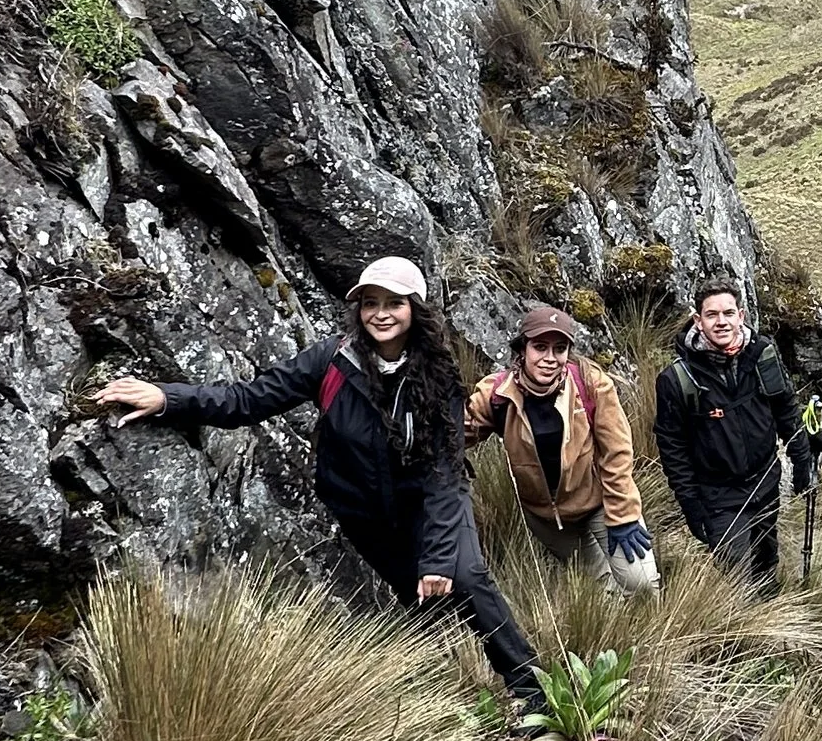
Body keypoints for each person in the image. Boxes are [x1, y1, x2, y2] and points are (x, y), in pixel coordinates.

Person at [89, 247, 545, 697]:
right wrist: (169, 398)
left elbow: (443, 471)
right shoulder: (331, 361)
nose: (380, 314)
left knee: (465, 581)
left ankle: (533, 695)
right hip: (367, 518)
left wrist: (439, 557)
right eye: (370, 303)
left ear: (415, 309)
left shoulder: (439, 373)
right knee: (422, 605)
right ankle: (448, 707)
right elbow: (247, 400)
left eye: (394, 303)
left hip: (430, 503)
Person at [466, 302, 660, 594]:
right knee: (601, 592)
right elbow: (453, 435)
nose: (549, 358)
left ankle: (659, 634)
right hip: (547, 518)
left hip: (600, 503)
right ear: (523, 350)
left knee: (641, 583)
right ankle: (617, 638)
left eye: (559, 349)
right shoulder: (497, 395)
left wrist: (623, 515)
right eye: (540, 347)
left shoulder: (590, 382)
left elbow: (616, 452)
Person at [652, 276, 812, 591]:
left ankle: (773, 623)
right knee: (736, 579)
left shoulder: (762, 354)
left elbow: (785, 408)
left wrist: (802, 460)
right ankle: (742, 634)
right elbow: (673, 449)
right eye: (712, 315)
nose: (721, 322)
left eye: (728, 313)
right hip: (718, 497)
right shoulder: (677, 380)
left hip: (766, 482)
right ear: (698, 320)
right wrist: (690, 504)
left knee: (767, 562)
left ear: (741, 315)